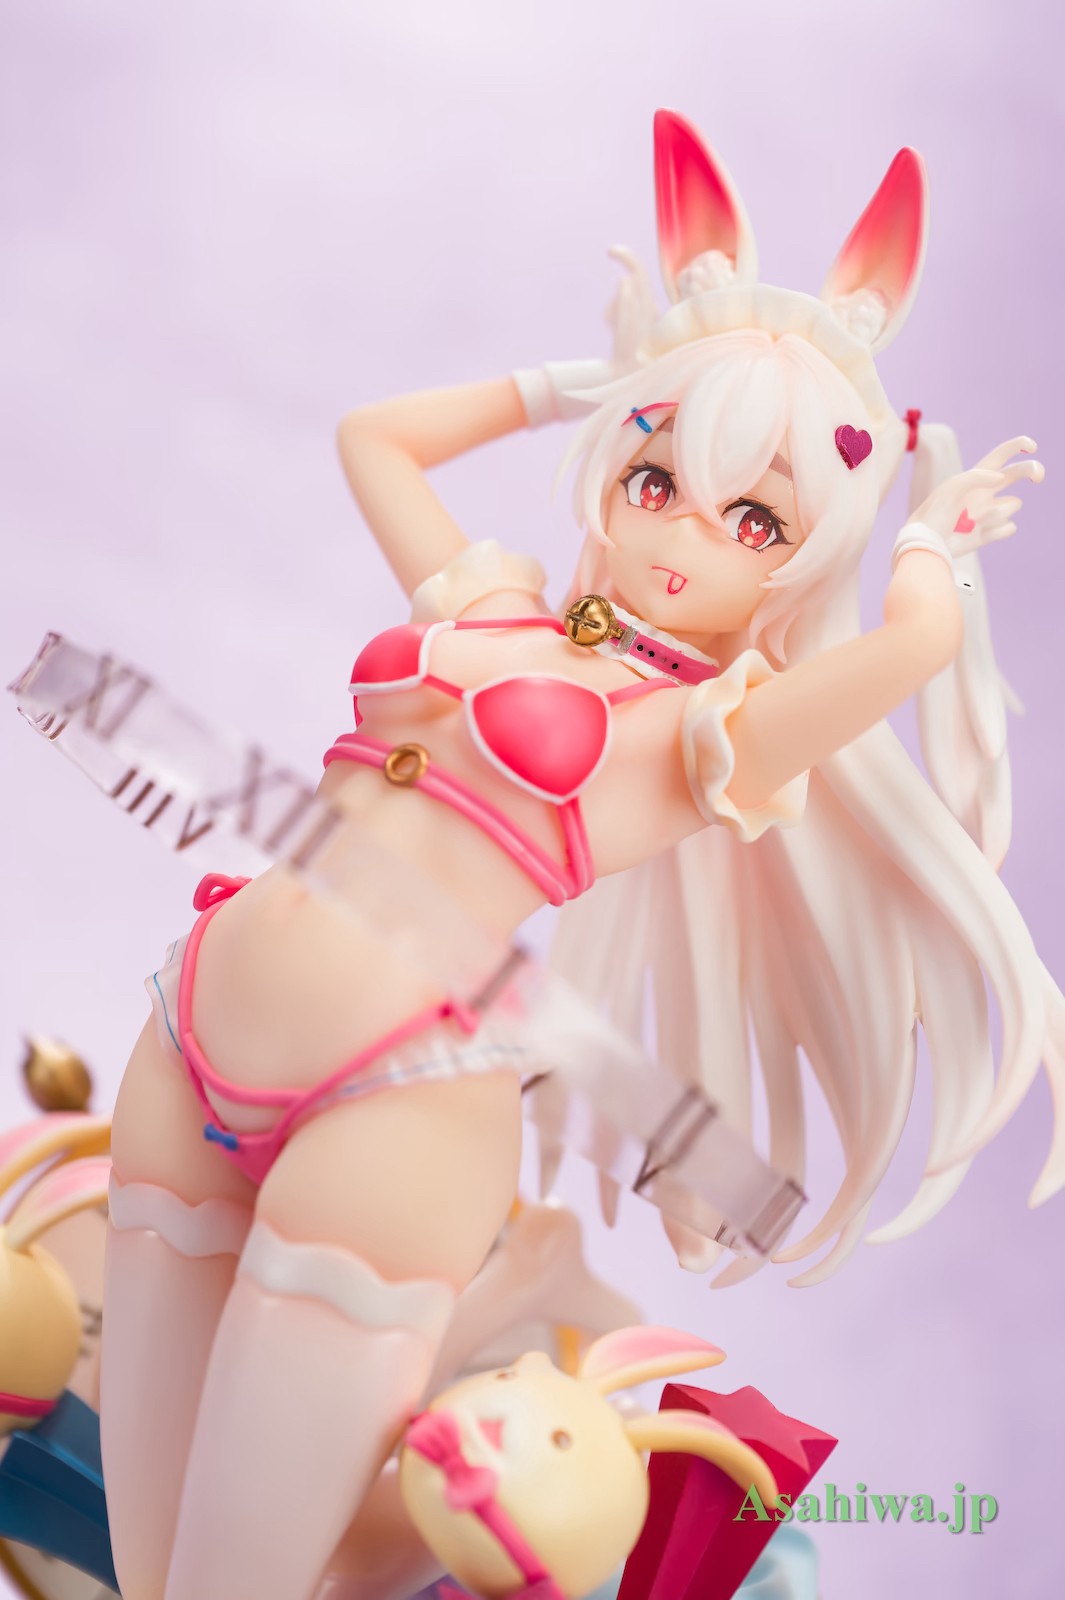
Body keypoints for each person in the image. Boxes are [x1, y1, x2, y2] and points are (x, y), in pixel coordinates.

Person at [96, 110, 1061, 1600]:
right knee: (133, 1563)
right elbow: (373, 439)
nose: (683, 532)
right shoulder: (491, 605)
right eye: (658, 474)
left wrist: (927, 542)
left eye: (757, 518)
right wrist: (577, 385)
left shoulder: (711, 734)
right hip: (193, 1027)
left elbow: (914, 646)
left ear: (798, 561)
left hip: (391, 1106)